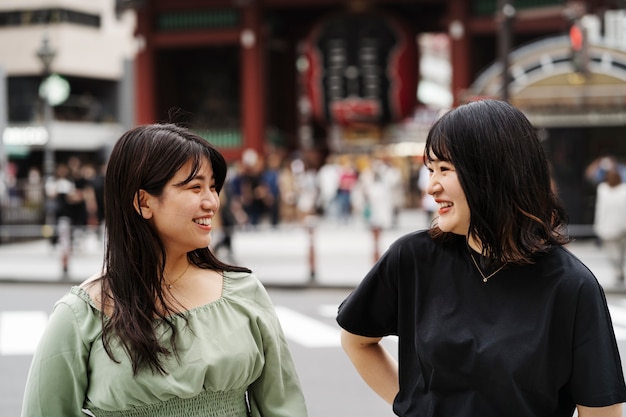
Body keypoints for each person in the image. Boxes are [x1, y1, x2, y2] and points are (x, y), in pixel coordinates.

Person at [337, 99, 626, 417]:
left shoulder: (571, 286)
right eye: (430, 170)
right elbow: (357, 341)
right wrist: (417, 406)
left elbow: (602, 411)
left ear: (491, 173)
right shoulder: (412, 259)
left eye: (444, 169)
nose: (432, 186)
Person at [21, 123, 308, 417]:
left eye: (212, 187)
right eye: (195, 187)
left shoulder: (244, 292)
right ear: (143, 201)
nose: (212, 202)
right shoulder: (80, 315)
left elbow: (284, 407)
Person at [593, 167, 626, 284]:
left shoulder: (623, 190)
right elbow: (600, 209)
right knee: (612, 253)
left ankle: (619, 271)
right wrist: (598, 225)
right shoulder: (603, 189)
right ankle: (618, 272)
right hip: (608, 227)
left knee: (620, 252)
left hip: (621, 227)